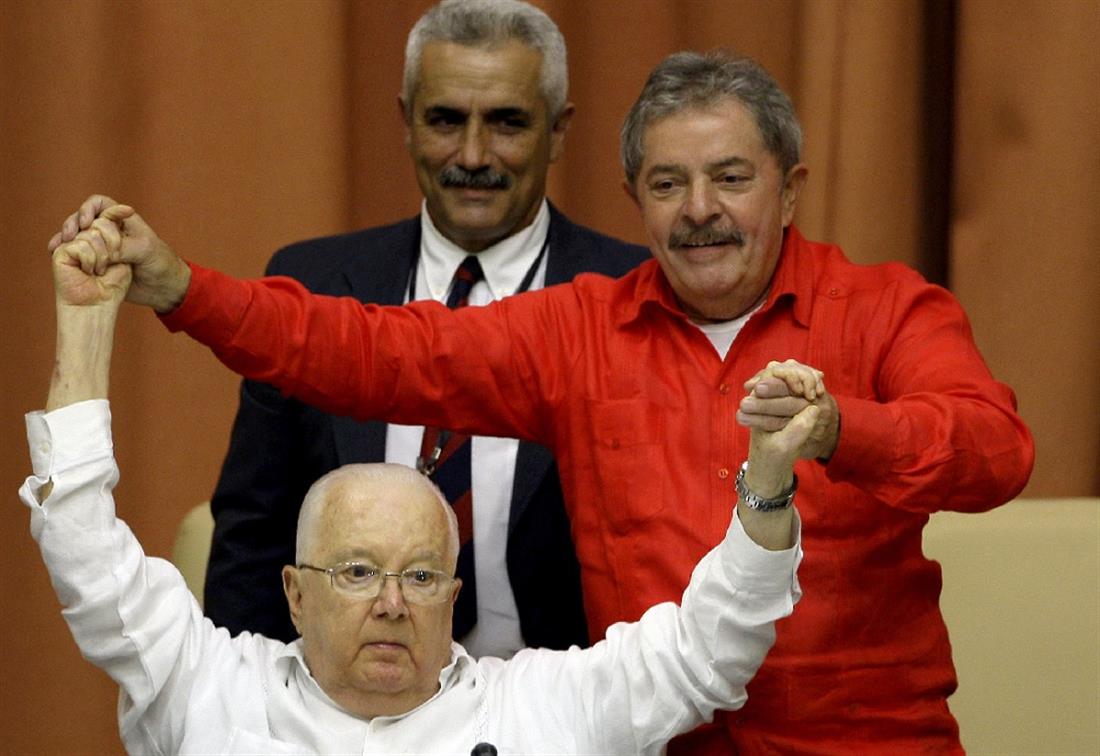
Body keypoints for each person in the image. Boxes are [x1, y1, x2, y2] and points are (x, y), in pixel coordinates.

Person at [52, 51, 1035, 754]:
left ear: (789, 188)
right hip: (650, 738)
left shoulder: (886, 309)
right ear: (633, 197)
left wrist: (843, 429)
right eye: (668, 183)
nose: (699, 209)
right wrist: (181, 289)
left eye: (731, 178)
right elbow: (366, 351)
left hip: (865, 741)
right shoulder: (578, 330)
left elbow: (995, 450)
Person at [24, 220, 803, 754]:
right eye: (358, 572)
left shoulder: (539, 706)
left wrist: (767, 481)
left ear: (454, 597)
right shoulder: (208, 685)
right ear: (295, 593)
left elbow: (708, 650)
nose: (392, 603)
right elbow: (80, 543)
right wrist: (85, 328)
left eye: (422, 577)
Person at [202, 0, 648, 652]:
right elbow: (253, 537)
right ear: (406, 123)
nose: (473, 155)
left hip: (565, 697)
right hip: (347, 706)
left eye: (507, 123)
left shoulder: (632, 297)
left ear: (558, 132)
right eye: (445, 120)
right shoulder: (312, 284)